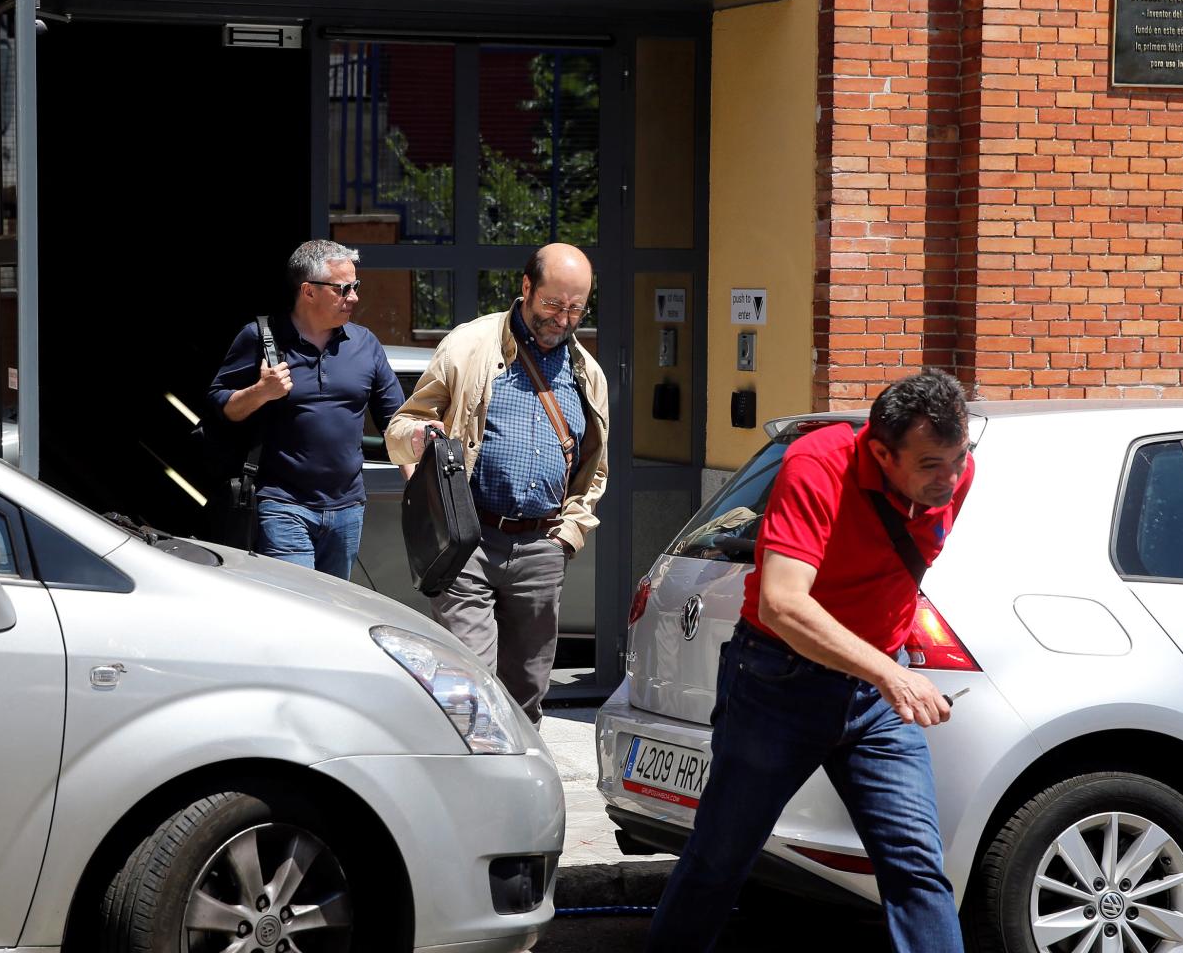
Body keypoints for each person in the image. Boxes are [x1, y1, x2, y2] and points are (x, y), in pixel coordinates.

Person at [646, 369, 976, 953]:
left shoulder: (954, 471)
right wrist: (890, 672)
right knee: (721, 856)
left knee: (917, 869)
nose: (951, 479)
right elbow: (781, 604)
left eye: (958, 458)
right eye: (931, 465)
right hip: (780, 682)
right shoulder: (816, 465)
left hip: (875, 698)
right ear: (880, 451)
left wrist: (887, 667)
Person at [384, 243, 608, 723]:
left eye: (575, 309)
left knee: (527, 690)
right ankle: (468, 786)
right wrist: (424, 437)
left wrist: (567, 536)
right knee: (471, 683)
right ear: (526, 288)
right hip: (470, 541)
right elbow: (400, 428)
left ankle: (515, 786)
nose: (563, 319)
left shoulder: (586, 372)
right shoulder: (469, 346)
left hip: (542, 545)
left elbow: (595, 470)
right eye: (553, 304)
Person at [207, 239, 407, 580]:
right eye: (343, 289)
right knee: (300, 607)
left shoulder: (364, 343)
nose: (354, 297)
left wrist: (417, 479)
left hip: (347, 509)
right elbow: (220, 407)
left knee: (334, 610)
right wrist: (261, 391)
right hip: (283, 505)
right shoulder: (260, 338)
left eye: (355, 287)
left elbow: (397, 421)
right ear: (308, 291)